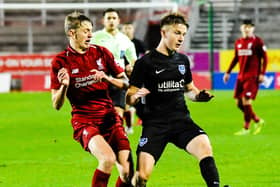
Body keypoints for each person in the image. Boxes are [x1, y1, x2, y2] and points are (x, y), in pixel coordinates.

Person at [126, 12, 220, 187]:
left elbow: (190, 90)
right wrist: (138, 95)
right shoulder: (145, 63)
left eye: (183, 34)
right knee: (141, 177)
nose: (181, 38)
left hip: (181, 122)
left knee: (205, 147)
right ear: (163, 33)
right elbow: (129, 98)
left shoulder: (183, 61)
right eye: (177, 33)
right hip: (155, 125)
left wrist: (199, 96)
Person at [50, 11, 134, 187]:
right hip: (85, 121)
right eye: (86, 30)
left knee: (127, 172)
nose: (90, 34)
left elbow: (126, 84)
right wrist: (65, 86)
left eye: (91, 30)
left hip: (109, 118)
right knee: (108, 159)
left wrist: (107, 78)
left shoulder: (101, 53)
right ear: (72, 33)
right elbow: (56, 105)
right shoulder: (60, 62)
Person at [90, 8, 137, 133]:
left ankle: (119, 138)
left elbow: (133, 60)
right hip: (100, 80)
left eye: (114, 18)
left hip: (118, 80)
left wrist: (131, 67)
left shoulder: (125, 40)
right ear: (103, 21)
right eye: (108, 18)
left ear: (118, 21)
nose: (111, 21)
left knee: (117, 114)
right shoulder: (94, 37)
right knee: (102, 117)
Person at [223, 19, 267, 136]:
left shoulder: (258, 42)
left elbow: (265, 58)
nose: (247, 29)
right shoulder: (238, 42)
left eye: (249, 27)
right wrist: (228, 72)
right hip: (241, 76)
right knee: (239, 104)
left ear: (253, 28)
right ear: (241, 28)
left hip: (252, 76)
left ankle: (246, 128)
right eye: (245, 26)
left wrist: (262, 73)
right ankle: (257, 120)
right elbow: (236, 58)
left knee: (246, 100)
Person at [122, 22, 148, 133]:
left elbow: (147, 55)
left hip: (135, 74)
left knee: (136, 99)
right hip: (120, 74)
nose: (128, 30)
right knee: (123, 100)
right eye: (126, 28)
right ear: (123, 29)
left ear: (133, 29)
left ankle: (137, 120)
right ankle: (128, 124)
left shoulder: (138, 43)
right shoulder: (119, 42)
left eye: (129, 28)